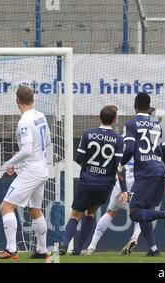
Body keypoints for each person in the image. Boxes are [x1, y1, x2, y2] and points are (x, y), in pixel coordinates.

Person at [81, 107, 157, 256]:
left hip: (123, 175)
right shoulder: (153, 136)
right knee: (139, 213)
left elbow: (124, 150)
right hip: (139, 178)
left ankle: (91, 247)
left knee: (111, 211)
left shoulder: (128, 129)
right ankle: (134, 237)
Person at [120, 92, 165, 256]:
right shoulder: (157, 124)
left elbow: (130, 149)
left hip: (145, 172)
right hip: (160, 169)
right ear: (148, 106)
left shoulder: (131, 124)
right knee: (145, 209)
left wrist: (120, 164)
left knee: (134, 213)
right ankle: (153, 249)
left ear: (135, 106)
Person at [59, 105, 126, 255]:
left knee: (75, 215)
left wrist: (90, 168)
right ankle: (77, 250)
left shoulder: (88, 133)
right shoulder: (118, 139)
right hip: (104, 185)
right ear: (114, 119)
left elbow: (78, 158)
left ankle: (64, 245)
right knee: (90, 213)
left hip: (87, 181)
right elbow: (119, 167)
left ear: (99, 117)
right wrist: (124, 189)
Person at [0, 86, 51, 260]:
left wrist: (10, 163)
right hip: (42, 168)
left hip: (32, 171)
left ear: (17, 101)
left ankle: (11, 249)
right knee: (35, 210)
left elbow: (26, 150)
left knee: (5, 207)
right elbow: (47, 141)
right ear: (33, 99)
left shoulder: (24, 121)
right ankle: (42, 250)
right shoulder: (40, 115)